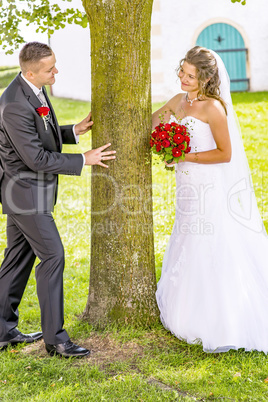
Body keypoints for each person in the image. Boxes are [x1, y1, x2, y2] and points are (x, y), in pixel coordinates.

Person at [0, 42, 116, 358]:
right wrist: (84, 160)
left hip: (26, 193)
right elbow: (35, 157)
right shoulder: (12, 103)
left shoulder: (34, 88)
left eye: (55, 65)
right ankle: (56, 340)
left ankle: (2, 331)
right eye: (50, 69)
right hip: (24, 195)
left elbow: (41, 134)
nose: (56, 72)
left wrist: (73, 131)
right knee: (53, 256)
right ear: (30, 71)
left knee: (17, 259)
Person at [154, 46, 268, 353]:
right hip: (186, 188)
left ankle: (219, 315)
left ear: (205, 78)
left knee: (213, 242)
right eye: (182, 71)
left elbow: (225, 153)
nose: (184, 79)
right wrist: (163, 140)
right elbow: (153, 122)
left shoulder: (213, 109)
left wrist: (182, 154)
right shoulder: (179, 101)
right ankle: (186, 303)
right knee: (187, 236)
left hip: (210, 186)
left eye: (191, 76)